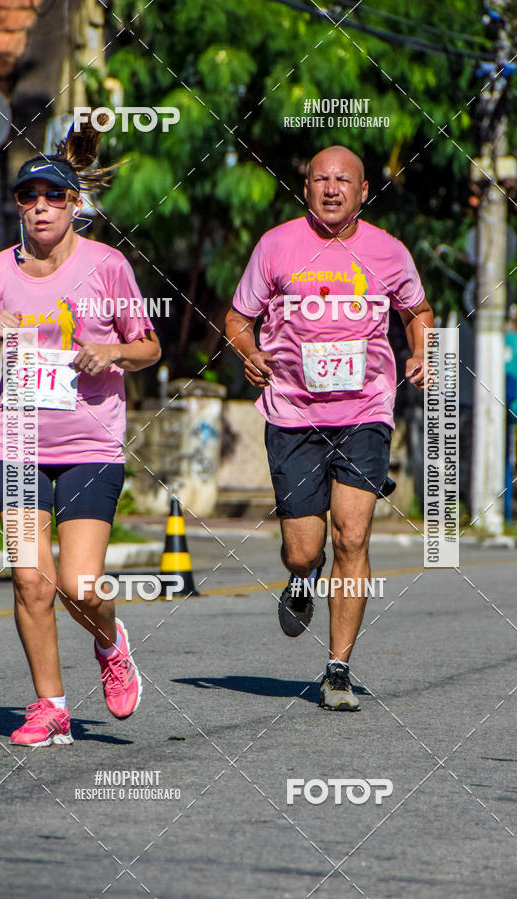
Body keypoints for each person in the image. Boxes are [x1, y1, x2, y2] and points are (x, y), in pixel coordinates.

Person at [0, 121, 161, 746]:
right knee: (28, 578)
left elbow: (150, 347)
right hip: (12, 443)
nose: (40, 207)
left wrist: (113, 353)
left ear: (74, 205)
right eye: (28, 197)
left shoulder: (108, 266)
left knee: (79, 583)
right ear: (18, 207)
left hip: (90, 444)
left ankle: (111, 642)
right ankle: (50, 707)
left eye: (53, 196)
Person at [225, 145, 432, 711]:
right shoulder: (277, 246)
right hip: (293, 414)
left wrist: (421, 353)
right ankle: (299, 579)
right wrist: (247, 350)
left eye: (345, 180)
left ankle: (337, 668)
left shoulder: (388, 253)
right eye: (322, 179)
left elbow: (418, 311)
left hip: (365, 411)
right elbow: (238, 319)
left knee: (353, 535)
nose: (332, 188)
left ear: (364, 191)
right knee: (303, 548)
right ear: (307, 186)